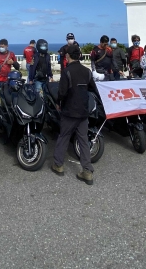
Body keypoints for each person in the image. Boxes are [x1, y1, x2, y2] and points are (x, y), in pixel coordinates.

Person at [50, 44, 96, 186]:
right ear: (80, 56)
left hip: (69, 111)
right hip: (83, 111)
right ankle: (87, 170)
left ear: (67, 56)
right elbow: (93, 88)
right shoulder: (87, 71)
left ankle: (58, 165)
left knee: (64, 136)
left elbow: (62, 92)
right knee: (83, 140)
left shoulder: (67, 72)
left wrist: (58, 103)